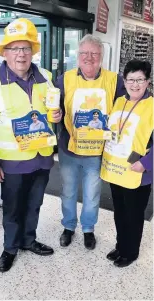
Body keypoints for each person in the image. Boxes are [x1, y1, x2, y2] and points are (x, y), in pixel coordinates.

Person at [0, 18, 62, 272]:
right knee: (12, 209)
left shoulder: (46, 77)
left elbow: (51, 111)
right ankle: (10, 248)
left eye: (25, 48)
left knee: (35, 204)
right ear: (5, 53)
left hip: (42, 157)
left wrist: (56, 115)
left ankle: (28, 240)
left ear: (33, 51)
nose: (21, 54)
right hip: (11, 162)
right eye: (14, 49)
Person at [56, 34, 126, 250]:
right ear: (78, 55)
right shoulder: (63, 79)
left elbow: (126, 107)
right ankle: (68, 226)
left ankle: (88, 229)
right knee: (68, 191)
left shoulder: (115, 80)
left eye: (94, 54)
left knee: (92, 192)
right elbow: (52, 108)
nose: (89, 58)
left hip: (97, 151)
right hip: (69, 148)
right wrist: (55, 114)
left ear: (101, 56)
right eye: (84, 53)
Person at [101, 60, 153, 267]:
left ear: (147, 82)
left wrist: (146, 163)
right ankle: (121, 245)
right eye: (130, 79)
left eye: (140, 79)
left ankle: (131, 252)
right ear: (124, 81)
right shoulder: (119, 102)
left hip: (138, 172)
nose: (135, 84)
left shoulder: (152, 105)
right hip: (116, 169)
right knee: (120, 211)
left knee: (134, 214)